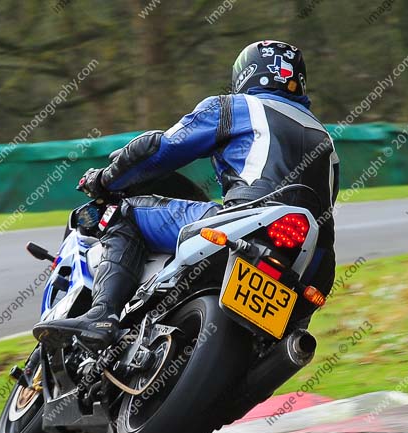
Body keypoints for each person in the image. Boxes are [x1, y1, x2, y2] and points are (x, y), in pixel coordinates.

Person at [34, 40, 339, 350]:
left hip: (246, 220)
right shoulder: (325, 139)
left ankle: (101, 315)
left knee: (124, 212)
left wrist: (105, 179)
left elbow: (161, 149)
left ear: (246, 74)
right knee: (280, 343)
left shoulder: (236, 107)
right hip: (310, 261)